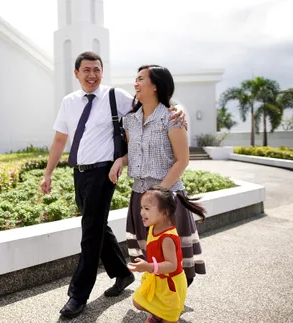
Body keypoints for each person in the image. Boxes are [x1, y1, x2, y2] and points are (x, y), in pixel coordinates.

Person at [40, 52, 186, 319]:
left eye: (97, 69)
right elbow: (60, 140)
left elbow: (153, 102)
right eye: (86, 70)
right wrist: (48, 172)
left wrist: (179, 107)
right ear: (76, 74)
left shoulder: (114, 96)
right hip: (80, 173)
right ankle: (122, 272)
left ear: (102, 72)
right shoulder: (69, 102)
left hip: (103, 174)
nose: (92, 75)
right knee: (96, 225)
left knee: (90, 234)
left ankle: (78, 295)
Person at [109, 64, 206, 289]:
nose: (136, 83)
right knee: (150, 253)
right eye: (136, 78)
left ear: (155, 86)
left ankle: (172, 300)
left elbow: (182, 160)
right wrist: (120, 160)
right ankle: (160, 298)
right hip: (139, 197)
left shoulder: (172, 117)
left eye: (141, 79)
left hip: (166, 197)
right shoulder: (130, 121)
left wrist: (158, 193)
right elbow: (134, 154)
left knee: (173, 256)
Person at [128, 185, 206, 323]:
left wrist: (148, 267)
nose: (141, 213)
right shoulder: (153, 226)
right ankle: (157, 314)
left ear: (164, 213)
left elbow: (171, 265)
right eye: (141, 208)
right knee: (138, 302)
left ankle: (161, 316)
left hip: (170, 287)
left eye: (147, 209)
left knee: (168, 319)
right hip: (157, 279)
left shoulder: (167, 238)